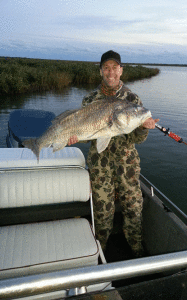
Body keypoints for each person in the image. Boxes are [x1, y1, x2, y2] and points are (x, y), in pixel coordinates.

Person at [69, 50, 159, 257]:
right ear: (101, 71)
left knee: (134, 208)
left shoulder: (132, 98)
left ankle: (136, 250)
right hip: (100, 166)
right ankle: (100, 253)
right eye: (106, 68)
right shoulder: (90, 100)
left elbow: (137, 139)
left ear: (121, 70)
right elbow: (87, 135)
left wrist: (144, 127)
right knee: (102, 213)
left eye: (114, 68)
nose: (111, 73)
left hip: (127, 165)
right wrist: (74, 137)